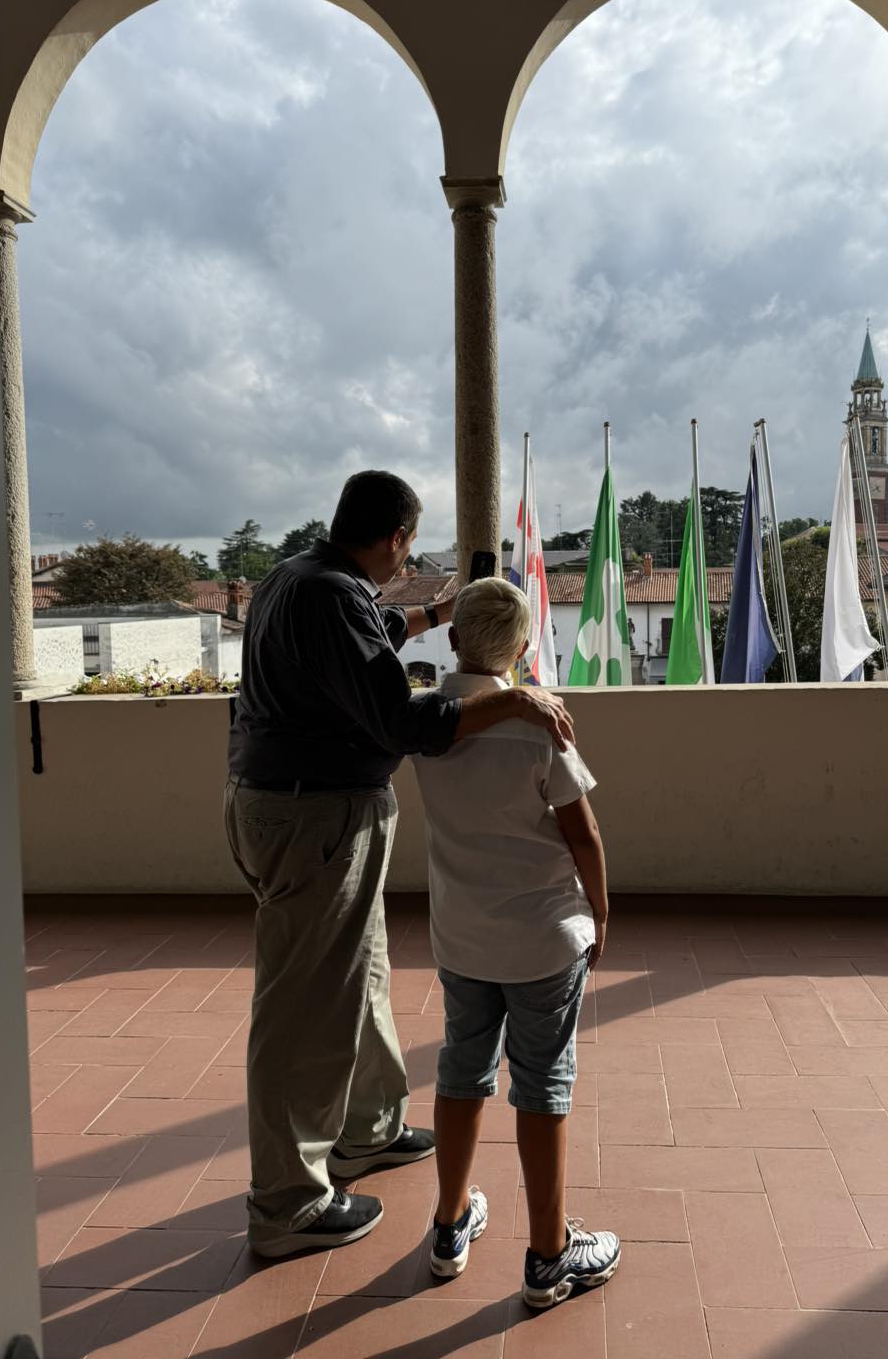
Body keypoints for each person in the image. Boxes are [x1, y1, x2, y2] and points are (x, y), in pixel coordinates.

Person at [224, 472, 575, 1259]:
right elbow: (405, 719)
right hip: (313, 813)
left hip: (293, 803)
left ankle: (368, 1128)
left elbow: (375, 630)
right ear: (397, 538)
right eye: (408, 546)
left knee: (360, 972)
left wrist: (442, 611)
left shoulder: (298, 576)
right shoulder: (332, 594)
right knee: (305, 1006)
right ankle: (287, 1202)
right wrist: (516, 700)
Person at [412, 577, 620, 1308]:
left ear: (456, 640)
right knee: (543, 1084)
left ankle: (448, 1225)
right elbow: (581, 830)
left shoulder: (428, 721)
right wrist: (599, 910)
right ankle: (548, 1254)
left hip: (464, 939)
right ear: (525, 649)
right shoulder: (538, 722)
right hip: (542, 940)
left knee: (461, 1072)